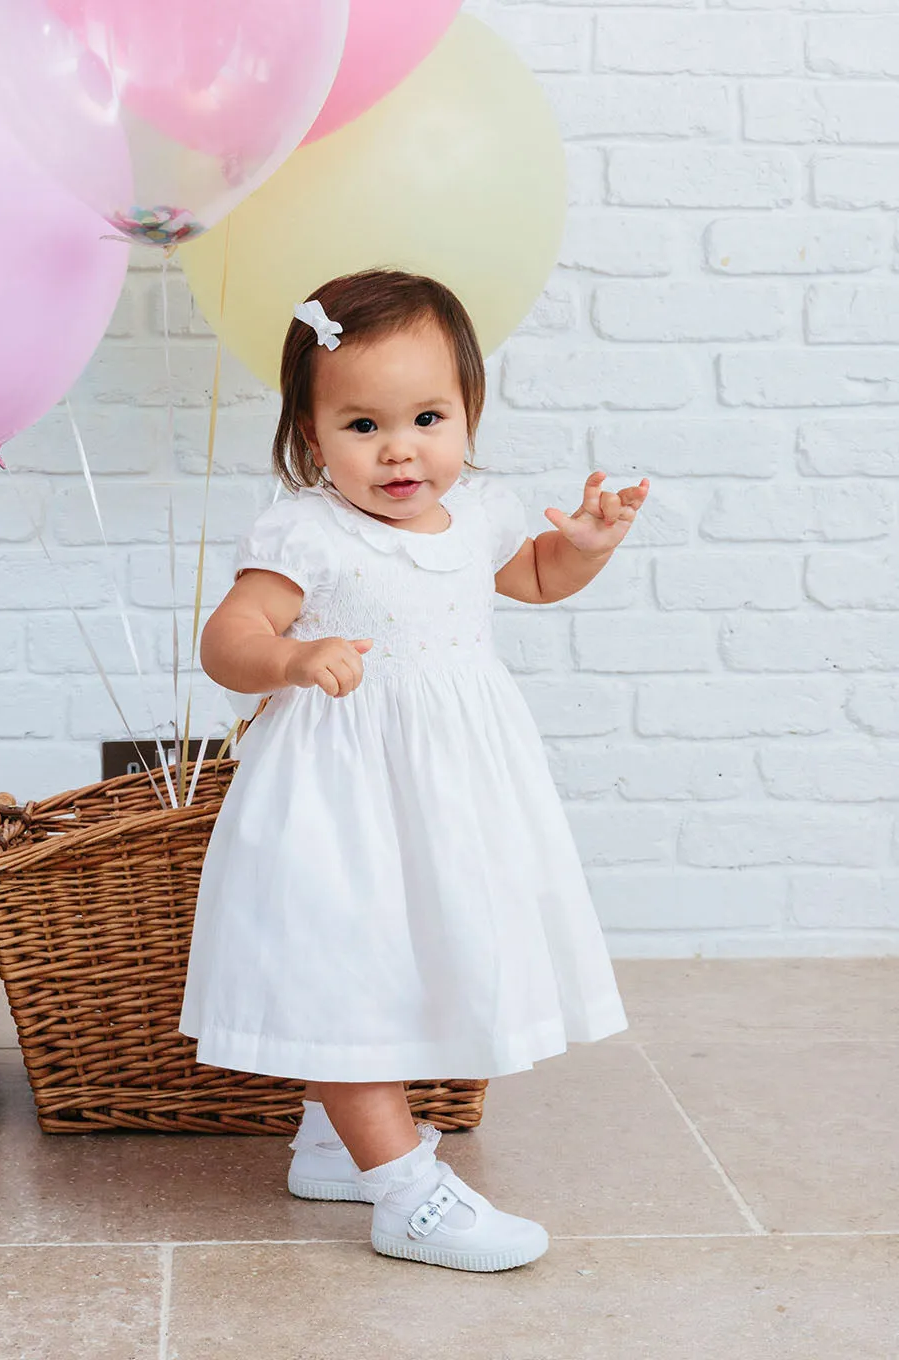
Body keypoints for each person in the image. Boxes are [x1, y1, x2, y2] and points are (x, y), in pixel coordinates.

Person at [179, 268, 650, 1272]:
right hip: (340, 797)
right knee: (346, 964)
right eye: (361, 425)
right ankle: (403, 1193)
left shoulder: (478, 512)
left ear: (467, 414)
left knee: (406, 957)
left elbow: (529, 574)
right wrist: (295, 657)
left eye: (427, 416)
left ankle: (331, 1146)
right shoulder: (308, 531)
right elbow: (228, 640)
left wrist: (587, 549)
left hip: (453, 794)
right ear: (311, 436)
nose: (400, 448)